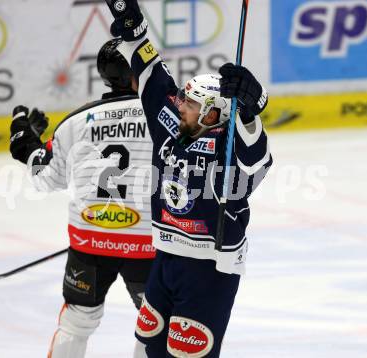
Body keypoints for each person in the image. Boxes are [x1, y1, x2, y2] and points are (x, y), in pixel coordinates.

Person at [104, 1, 273, 357]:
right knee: (149, 346)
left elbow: (258, 162)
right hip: (165, 256)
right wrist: (136, 33)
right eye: (183, 97)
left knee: (188, 353)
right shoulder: (172, 127)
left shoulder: (227, 146)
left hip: (210, 268)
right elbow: (153, 76)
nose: (180, 104)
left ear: (213, 114)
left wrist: (251, 108)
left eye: (191, 103)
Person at [9, 39, 155, 358]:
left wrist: (26, 141)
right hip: (147, 245)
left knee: (76, 322)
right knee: (157, 325)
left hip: (91, 243)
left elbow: (47, 177)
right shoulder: (163, 117)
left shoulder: (75, 122)